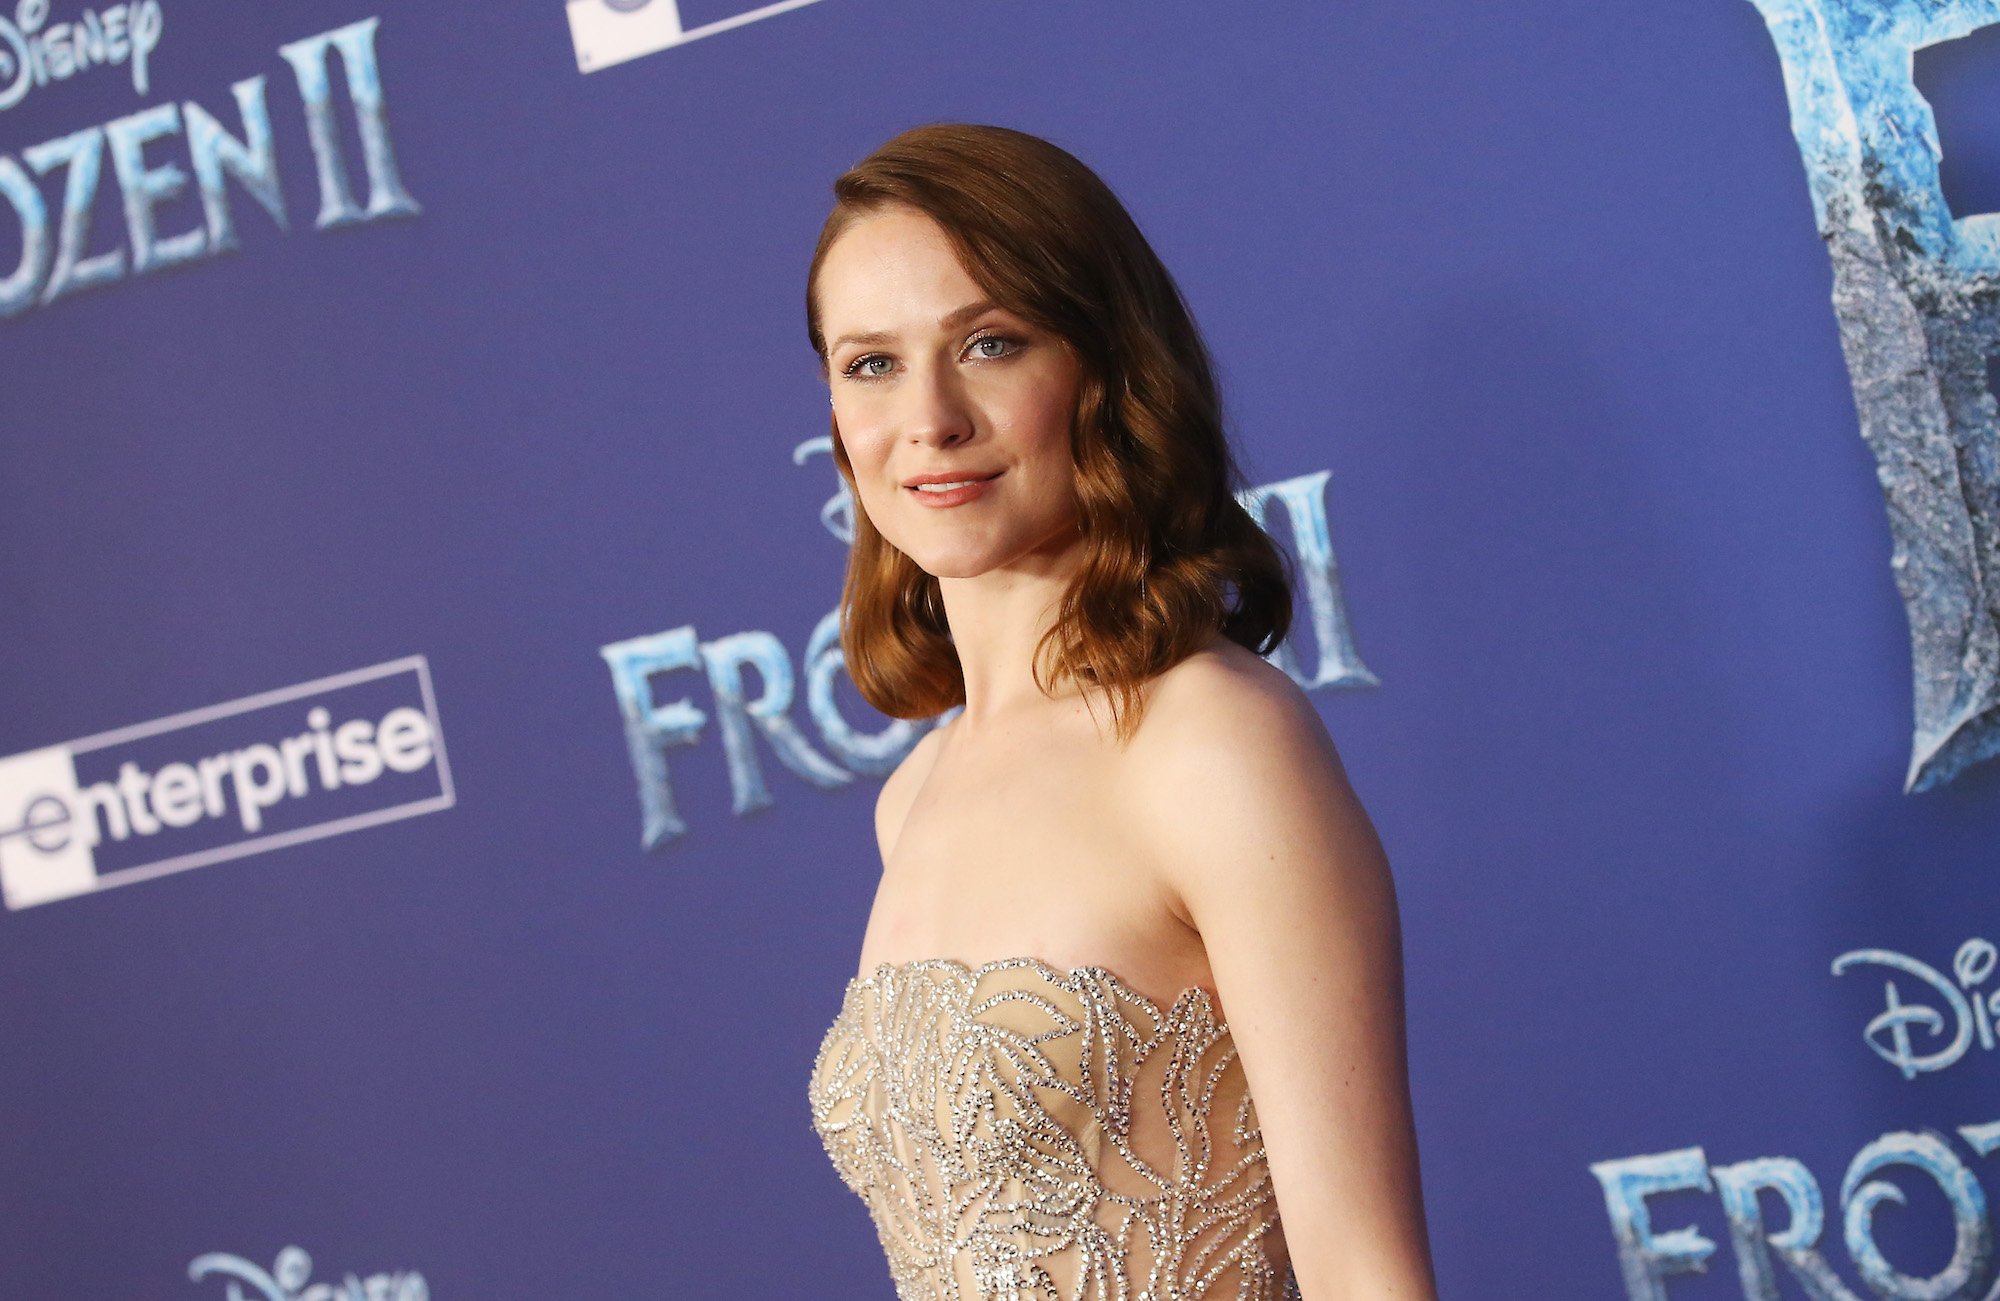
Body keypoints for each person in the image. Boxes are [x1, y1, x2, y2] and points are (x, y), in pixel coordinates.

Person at [805, 122, 1438, 1301]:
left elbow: (1366, 1271)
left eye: (988, 344)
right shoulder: (912, 798)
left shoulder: (1210, 741)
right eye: (870, 364)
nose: (928, 418)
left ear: (1103, 369)